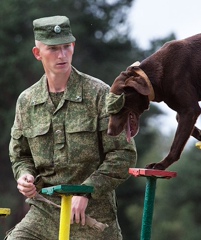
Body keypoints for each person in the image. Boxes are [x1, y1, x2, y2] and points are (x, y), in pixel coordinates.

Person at [6, 15, 137, 240]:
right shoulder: (27, 101)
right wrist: (25, 175)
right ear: (38, 54)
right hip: (44, 211)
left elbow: (123, 155)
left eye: (67, 47)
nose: (62, 55)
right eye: (53, 49)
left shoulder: (99, 93)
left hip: (92, 214)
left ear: (73, 47)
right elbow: (21, 155)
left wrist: (86, 191)